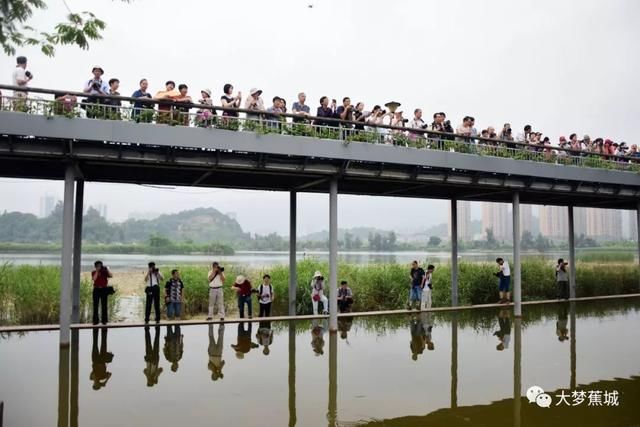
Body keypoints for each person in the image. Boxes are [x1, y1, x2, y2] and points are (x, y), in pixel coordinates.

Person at [91, 260, 112, 325]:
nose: (99, 267)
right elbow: (94, 279)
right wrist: (97, 271)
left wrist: (107, 269)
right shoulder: (93, 272)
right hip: (96, 289)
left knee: (104, 305)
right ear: (95, 267)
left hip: (104, 289)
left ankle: (104, 320)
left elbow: (111, 276)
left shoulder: (104, 272)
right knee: (95, 305)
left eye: (100, 266)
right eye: (98, 266)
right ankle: (95, 321)